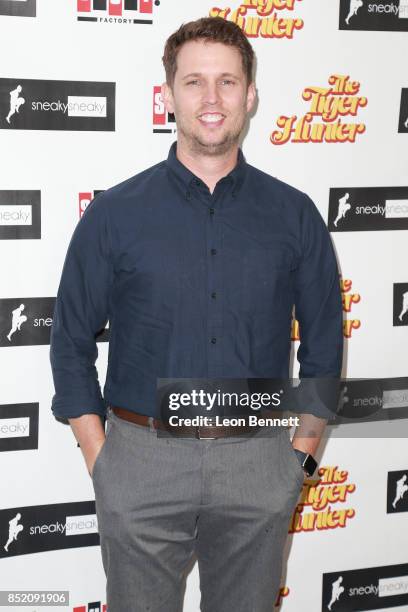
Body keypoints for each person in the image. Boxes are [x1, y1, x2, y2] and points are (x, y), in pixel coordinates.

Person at [50, 17, 343, 612]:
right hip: (140, 460)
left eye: (228, 82)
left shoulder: (295, 215)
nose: (211, 100)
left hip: (259, 459)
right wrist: (102, 459)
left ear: (251, 95)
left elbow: (325, 342)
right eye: (194, 82)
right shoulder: (115, 214)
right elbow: (69, 339)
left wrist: (301, 457)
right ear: (167, 96)